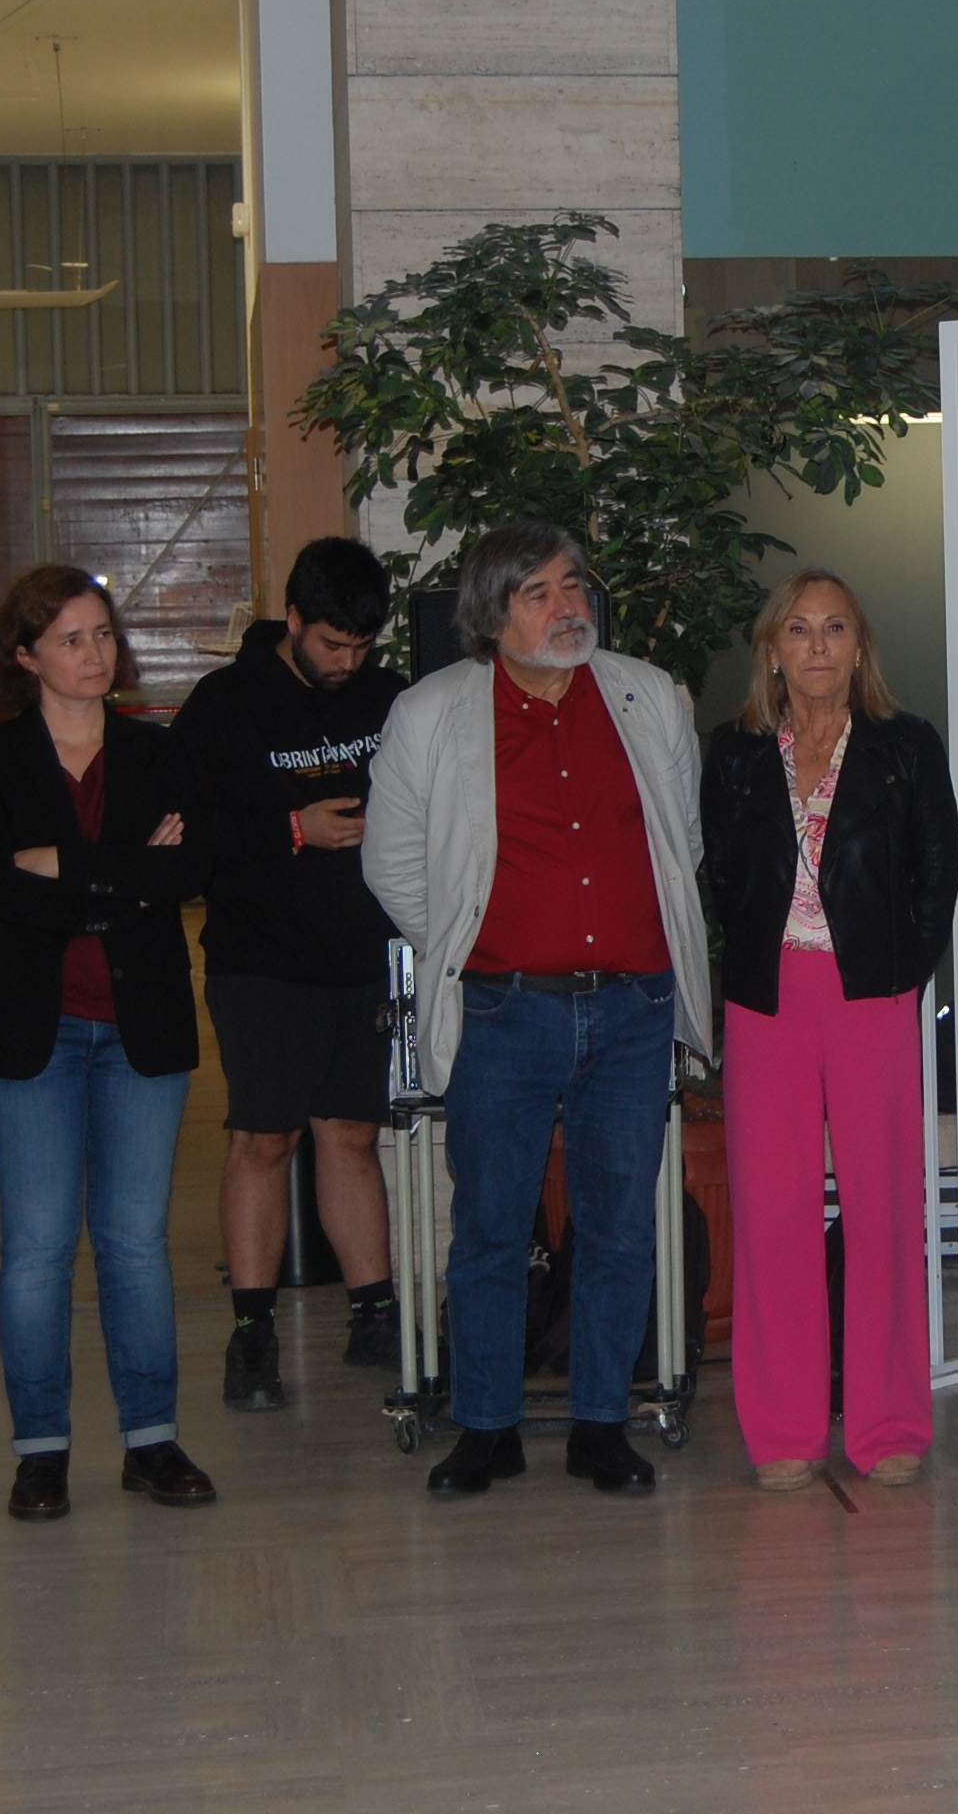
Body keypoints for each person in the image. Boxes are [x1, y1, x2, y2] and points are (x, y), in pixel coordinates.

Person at [360, 523, 714, 1497]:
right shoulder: (432, 712)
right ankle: (486, 1426)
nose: (567, 608)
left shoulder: (647, 694)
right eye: (536, 594)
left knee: (616, 1226)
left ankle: (601, 1421)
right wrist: (478, 942)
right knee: (489, 1226)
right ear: (488, 614)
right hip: (503, 1013)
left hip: (634, 1009)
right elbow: (390, 862)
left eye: (572, 586)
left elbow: (677, 840)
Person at [0, 565, 215, 1521]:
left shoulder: (159, 753)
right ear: (24, 657)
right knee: (37, 1247)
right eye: (69, 639)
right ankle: (41, 1451)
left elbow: (189, 868)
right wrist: (127, 871)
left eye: (102, 634)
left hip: (140, 1025)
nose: (94, 654)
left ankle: (151, 1441)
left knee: (137, 1244)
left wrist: (67, 864)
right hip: (29, 1032)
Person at [701, 569, 958, 1491]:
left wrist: (897, 975)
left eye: (835, 628)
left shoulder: (905, 745)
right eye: (799, 630)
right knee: (770, 1214)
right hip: (767, 1001)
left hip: (870, 999)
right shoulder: (734, 753)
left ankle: (888, 1422)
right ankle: (782, 1430)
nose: (817, 647)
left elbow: (940, 874)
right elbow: (721, 878)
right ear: (771, 648)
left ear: (861, 646)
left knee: (885, 1209)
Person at [173, 536, 410, 1412]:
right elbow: (186, 845)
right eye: (330, 645)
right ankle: (252, 1332)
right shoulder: (225, 705)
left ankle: (374, 1314)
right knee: (263, 1140)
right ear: (295, 617)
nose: (347, 664)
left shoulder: (390, 698)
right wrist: (293, 829)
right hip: (259, 961)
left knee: (350, 1137)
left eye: (361, 648)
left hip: (363, 958)